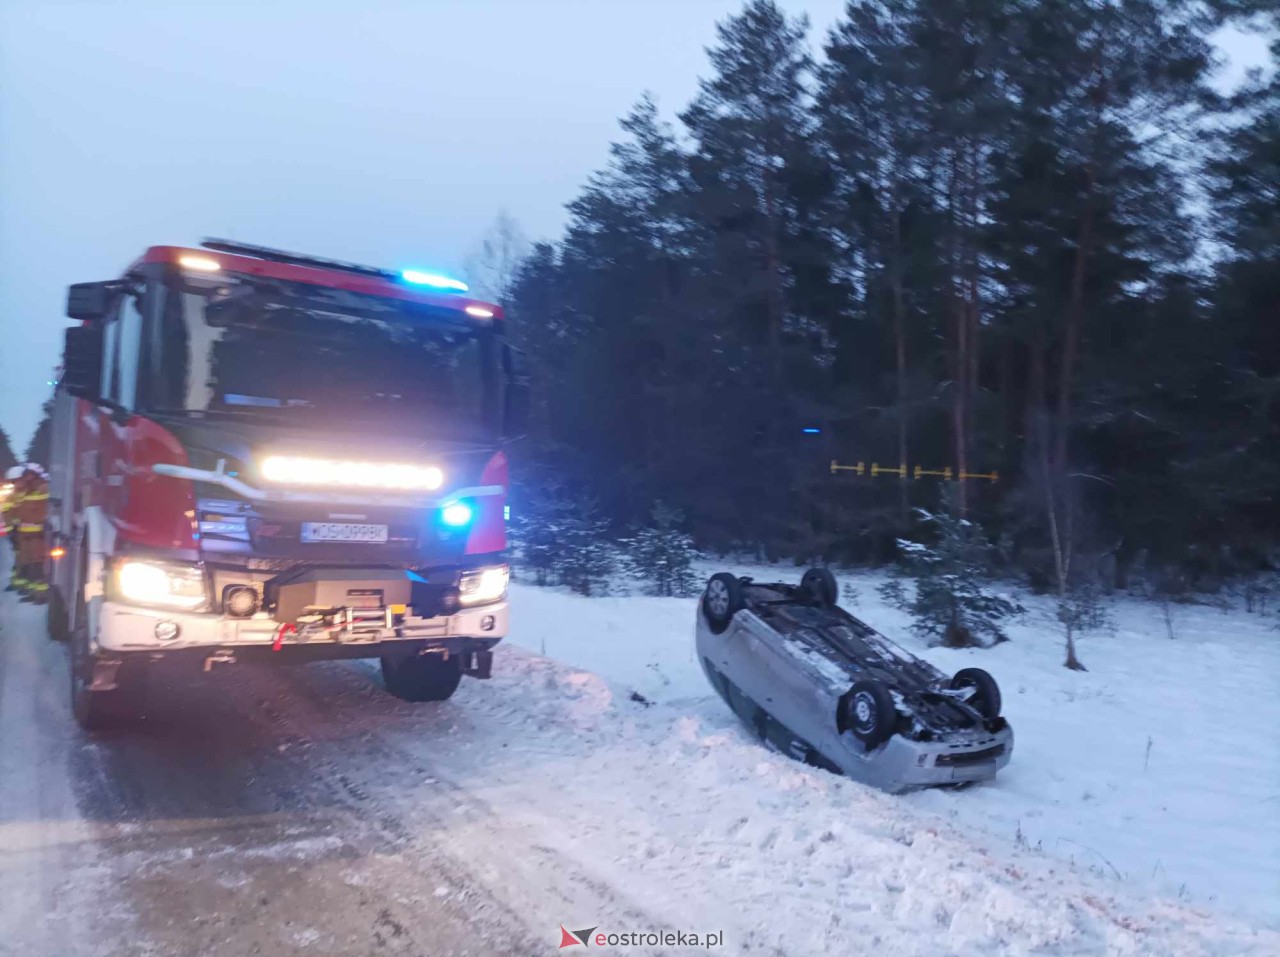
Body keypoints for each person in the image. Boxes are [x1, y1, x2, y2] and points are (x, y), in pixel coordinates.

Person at [9, 464, 49, 602]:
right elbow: (20, 512)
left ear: (35, 475)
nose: (27, 478)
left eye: (29, 475)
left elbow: (45, 511)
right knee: (29, 566)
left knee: (38, 566)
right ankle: (32, 593)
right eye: (26, 475)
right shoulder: (28, 490)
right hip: (25, 536)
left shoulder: (42, 489)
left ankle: (41, 595)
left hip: (37, 536)